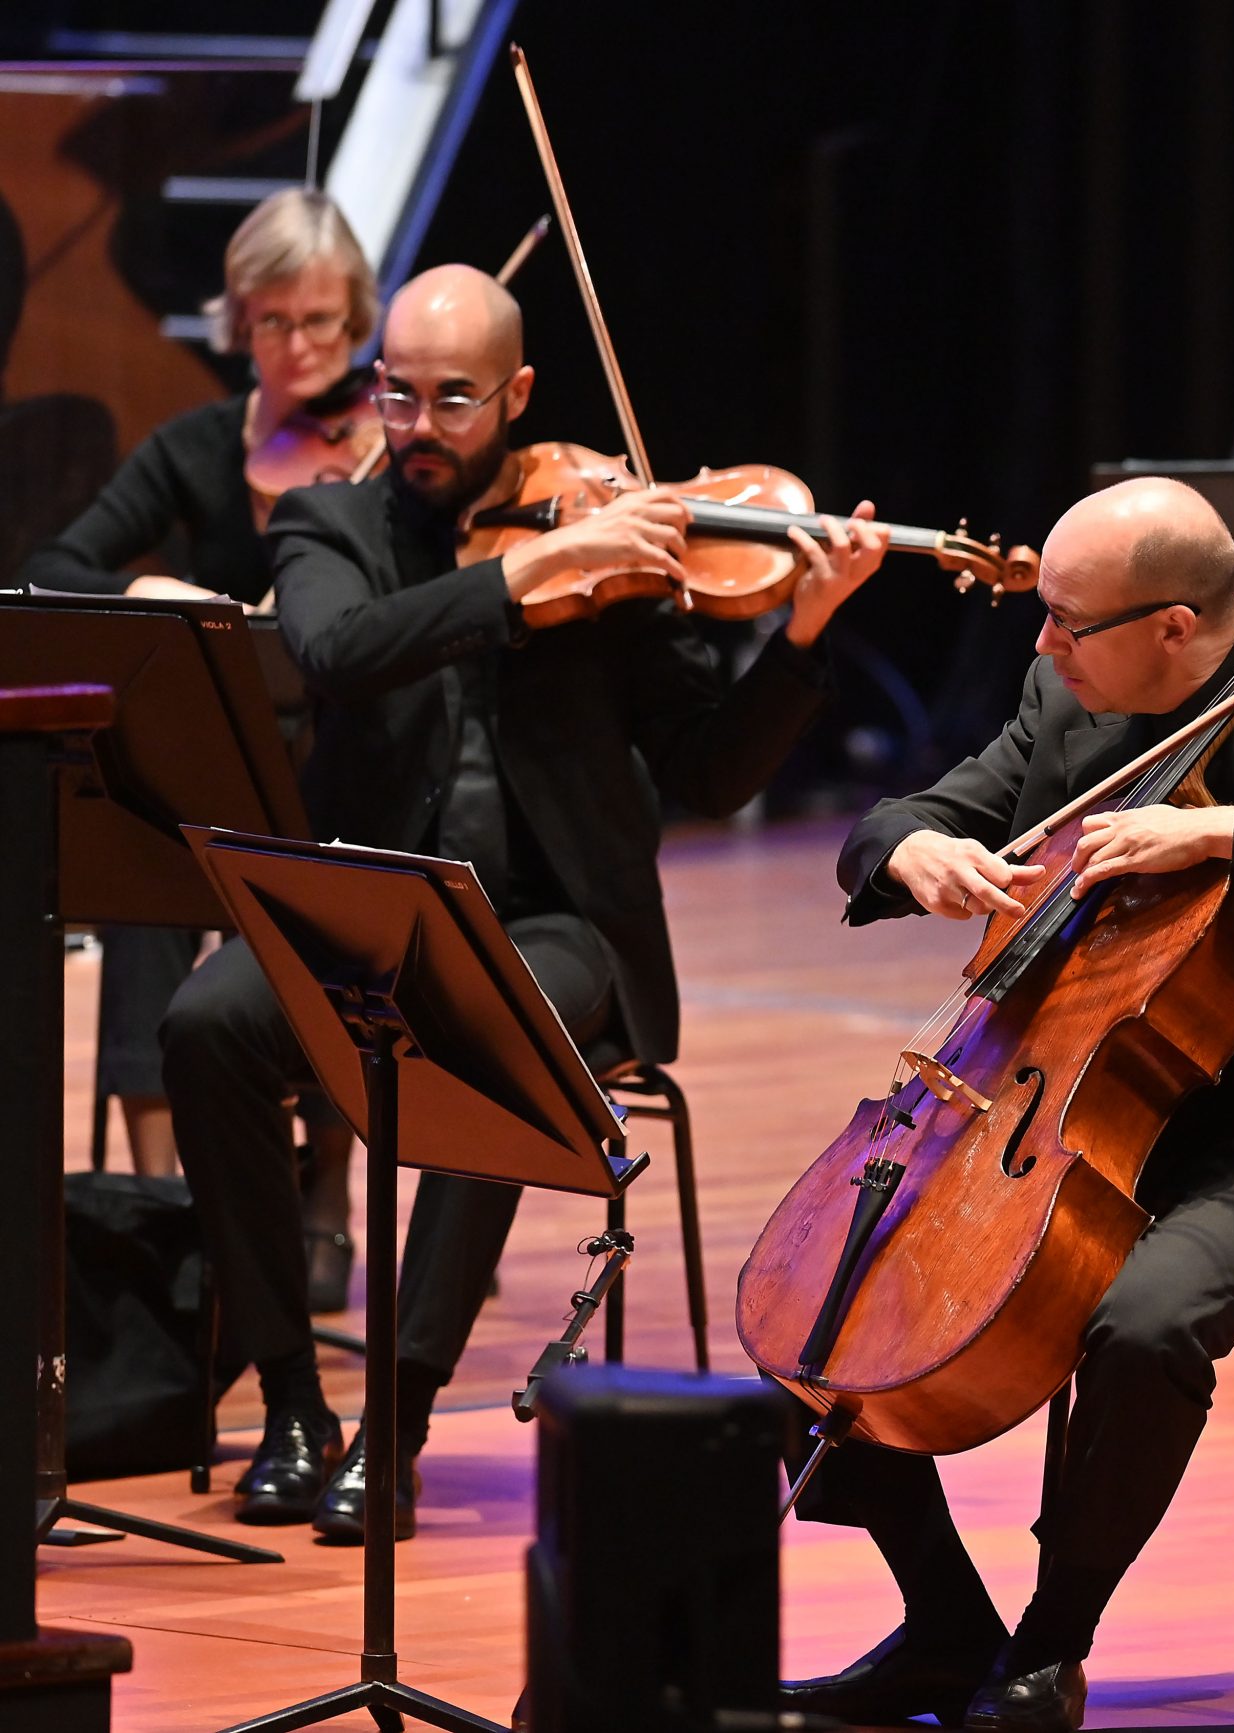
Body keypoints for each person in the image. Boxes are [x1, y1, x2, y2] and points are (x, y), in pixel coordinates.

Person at [159, 263, 886, 1542]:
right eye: (399, 395)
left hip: (557, 928)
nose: (420, 427)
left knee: (490, 1021)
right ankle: (287, 1400)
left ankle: (397, 1418)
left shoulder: (620, 545)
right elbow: (333, 650)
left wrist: (804, 637)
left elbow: (712, 772)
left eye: (453, 400)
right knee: (206, 1021)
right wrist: (524, 575)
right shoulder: (332, 524)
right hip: (364, 899)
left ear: (519, 394)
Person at [781, 476, 1234, 1731]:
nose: (1039, 646)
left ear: (1173, 624)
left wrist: (1221, 836)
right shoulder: (1066, 698)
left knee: (1144, 1324)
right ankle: (946, 1625)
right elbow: (918, 809)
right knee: (825, 1299)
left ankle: (1051, 1646)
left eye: (1067, 621)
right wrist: (910, 847)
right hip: (1071, 1112)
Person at [22, 190, 379, 1267]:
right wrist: (151, 588)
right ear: (239, 321)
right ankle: (168, 1204)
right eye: (274, 322)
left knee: (337, 880)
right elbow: (53, 568)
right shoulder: (196, 446)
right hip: (218, 767)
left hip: (344, 771)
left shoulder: (386, 455)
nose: (301, 349)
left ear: (358, 319)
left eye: (323, 322)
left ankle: (325, 1194)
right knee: (142, 870)